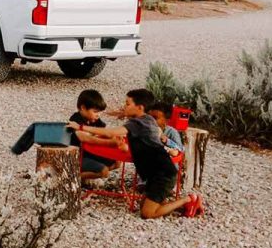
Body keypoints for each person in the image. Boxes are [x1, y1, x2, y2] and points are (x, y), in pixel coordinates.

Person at [71, 88, 203, 219]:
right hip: (155, 174)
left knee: (147, 213)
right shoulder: (147, 120)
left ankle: (190, 199)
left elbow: (111, 132)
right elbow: (137, 142)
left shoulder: (137, 123)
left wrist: (81, 127)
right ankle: (185, 205)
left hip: (163, 174)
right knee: (148, 206)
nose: (124, 106)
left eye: (128, 104)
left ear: (140, 108)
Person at [10, 90, 121, 183]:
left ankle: (83, 177)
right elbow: (83, 137)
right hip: (78, 156)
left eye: (100, 112)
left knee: (117, 162)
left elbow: (103, 131)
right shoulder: (76, 119)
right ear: (82, 108)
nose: (98, 115)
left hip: (90, 153)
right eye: (95, 112)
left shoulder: (96, 120)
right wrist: (108, 142)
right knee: (104, 171)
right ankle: (70, 178)